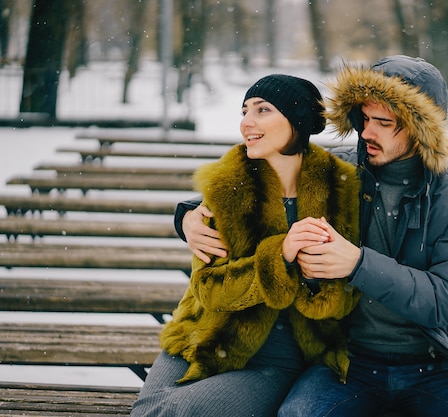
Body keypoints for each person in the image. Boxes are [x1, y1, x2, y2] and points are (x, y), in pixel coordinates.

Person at [174, 56, 448, 417]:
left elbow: (445, 302)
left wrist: (358, 264)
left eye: (383, 123)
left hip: (444, 365)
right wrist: (187, 215)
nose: (367, 133)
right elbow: (254, 187)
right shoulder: (337, 171)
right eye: (364, 119)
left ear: (422, 129)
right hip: (346, 363)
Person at [131, 74, 361, 417]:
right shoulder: (226, 187)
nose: (246, 123)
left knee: (181, 411)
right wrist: (279, 255)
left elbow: (341, 302)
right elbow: (210, 289)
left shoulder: (338, 191)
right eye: (244, 111)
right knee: (149, 411)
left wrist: (315, 276)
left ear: (296, 121)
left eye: (262, 110)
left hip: (279, 358)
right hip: (203, 336)